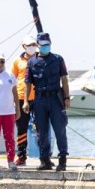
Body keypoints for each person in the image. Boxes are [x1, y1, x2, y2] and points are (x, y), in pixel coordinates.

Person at [23, 32, 70, 172]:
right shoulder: (31, 62)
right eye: (43, 45)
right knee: (41, 131)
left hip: (56, 98)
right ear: (38, 45)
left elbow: (65, 80)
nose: (45, 47)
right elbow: (27, 84)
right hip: (40, 99)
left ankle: (62, 160)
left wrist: (67, 98)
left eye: (48, 45)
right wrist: (26, 101)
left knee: (60, 130)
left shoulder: (58, 59)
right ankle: (44, 160)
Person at [10, 36, 38, 166]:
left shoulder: (40, 58)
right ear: (24, 46)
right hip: (21, 98)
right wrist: (13, 100)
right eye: (29, 44)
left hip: (38, 97)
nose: (32, 46)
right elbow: (12, 80)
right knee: (21, 128)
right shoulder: (17, 62)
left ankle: (44, 155)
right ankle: (21, 155)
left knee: (41, 127)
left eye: (33, 44)